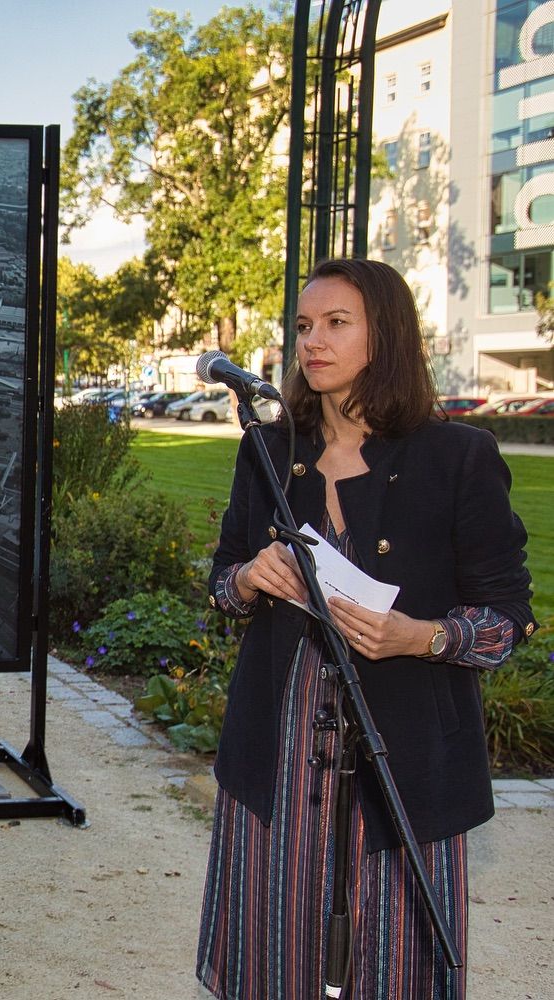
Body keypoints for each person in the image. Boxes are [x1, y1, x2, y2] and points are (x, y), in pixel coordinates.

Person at [195, 258, 538, 999]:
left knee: (399, 964)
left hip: (404, 756)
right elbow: (220, 584)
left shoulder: (457, 458)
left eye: (335, 323)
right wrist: (249, 578)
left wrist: (421, 637)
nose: (311, 341)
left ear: (385, 336)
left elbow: (510, 620)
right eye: (304, 326)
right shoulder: (268, 453)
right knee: (272, 956)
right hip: (277, 751)